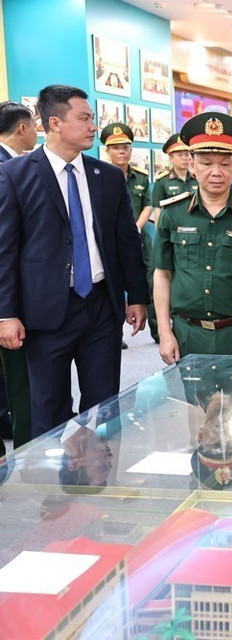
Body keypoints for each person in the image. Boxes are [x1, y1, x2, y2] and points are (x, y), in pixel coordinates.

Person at [0, 84, 148, 439]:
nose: (93, 126)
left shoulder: (107, 177)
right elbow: (5, 249)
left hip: (101, 306)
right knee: (48, 409)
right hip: (45, 312)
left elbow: (127, 242)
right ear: (54, 123)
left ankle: (101, 470)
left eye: (92, 118)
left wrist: (137, 296)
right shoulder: (16, 174)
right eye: (84, 118)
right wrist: (6, 314)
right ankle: (53, 476)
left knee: (105, 407)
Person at [152, 112, 232, 369]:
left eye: (225, 164)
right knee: (193, 397)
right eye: (206, 163)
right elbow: (162, 274)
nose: (216, 172)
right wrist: (164, 332)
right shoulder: (173, 213)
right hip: (188, 335)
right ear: (192, 165)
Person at [0, 101, 37, 446]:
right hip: (8, 294)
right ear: (22, 128)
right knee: (21, 382)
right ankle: (28, 451)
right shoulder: (8, 169)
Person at [100, 122, 151, 350]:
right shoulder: (99, 175)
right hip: (111, 241)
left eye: (125, 147)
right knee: (113, 284)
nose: (121, 152)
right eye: (116, 148)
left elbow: (148, 205)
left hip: (138, 238)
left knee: (144, 278)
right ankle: (116, 330)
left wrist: (136, 228)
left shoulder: (140, 177)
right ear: (107, 151)